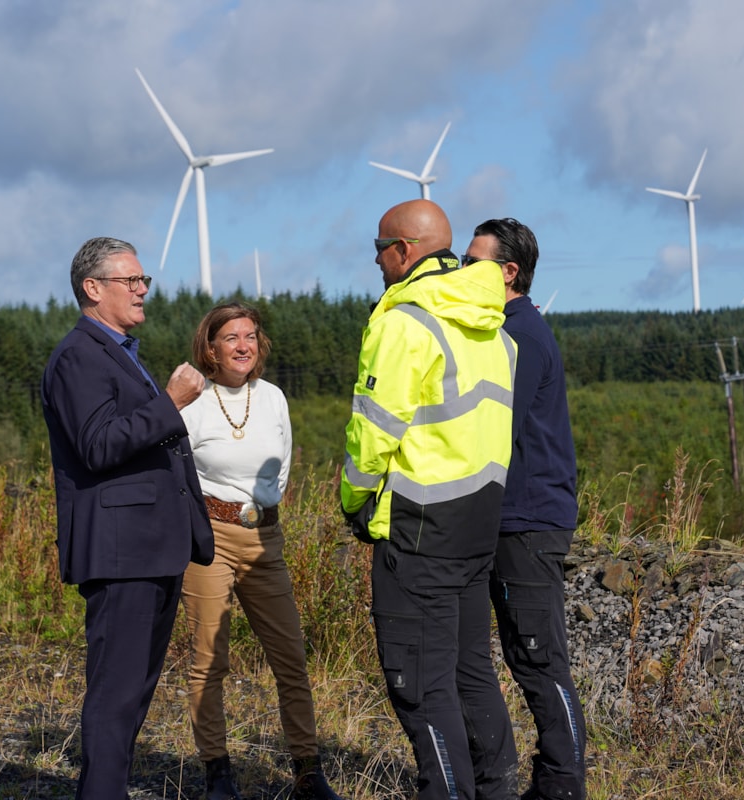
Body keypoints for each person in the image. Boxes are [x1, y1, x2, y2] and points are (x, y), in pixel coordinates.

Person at [341, 199, 519, 800]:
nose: (377, 263)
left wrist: (356, 501)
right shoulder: (491, 325)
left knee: (421, 685)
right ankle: (496, 790)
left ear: (403, 251)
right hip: (478, 526)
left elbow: (373, 428)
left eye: (379, 251)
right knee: (472, 673)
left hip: (418, 530)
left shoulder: (405, 322)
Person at [40, 236, 215, 800]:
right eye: (131, 281)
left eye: (144, 281)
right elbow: (98, 445)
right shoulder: (79, 356)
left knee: (132, 695)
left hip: (151, 548)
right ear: (93, 289)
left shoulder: (116, 351)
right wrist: (171, 402)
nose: (143, 290)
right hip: (122, 553)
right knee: (116, 696)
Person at [179, 301, 344, 800]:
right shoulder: (193, 401)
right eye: (231, 338)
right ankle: (217, 773)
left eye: (250, 336)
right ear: (210, 347)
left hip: (265, 538)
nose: (243, 346)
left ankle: (308, 774)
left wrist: (261, 514)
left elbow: (283, 466)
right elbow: (175, 472)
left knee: (290, 657)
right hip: (209, 538)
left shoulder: (272, 397)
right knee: (209, 659)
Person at [462, 219, 586, 800]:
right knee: (522, 655)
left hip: (528, 522)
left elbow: (497, 430)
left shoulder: (521, 337)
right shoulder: (508, 330)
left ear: (507, 272)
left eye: (472, 261)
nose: (461, 272)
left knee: (538, 659)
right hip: (514, 519)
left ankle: (562, 785)